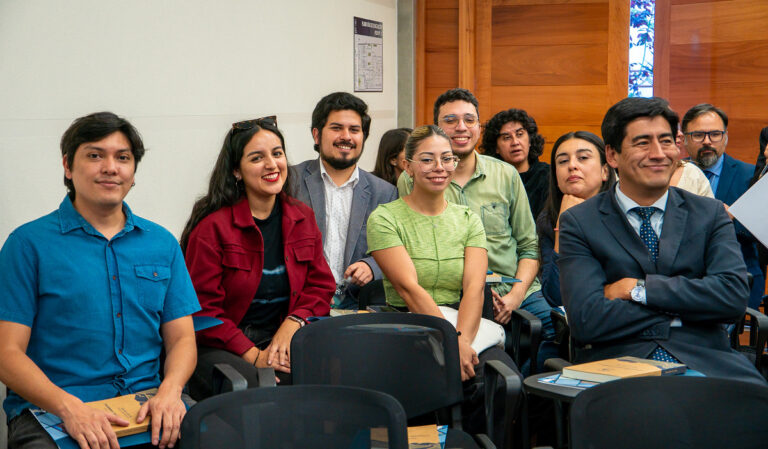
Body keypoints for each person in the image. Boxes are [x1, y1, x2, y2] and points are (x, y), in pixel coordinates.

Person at [0, 112, 200, 449]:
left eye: (123, 158)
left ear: (133, 172)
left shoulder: (162, 243)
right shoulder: (27, 245)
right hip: (55, 410)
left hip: (147, 404)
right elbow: (6, 353)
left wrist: (170, 391)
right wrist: (70, 408)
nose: (111, 167)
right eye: (95, 155)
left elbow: (182, 339)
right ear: (68, 166)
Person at [559, 97, 765, 384]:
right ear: (612, 154)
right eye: (643, 142)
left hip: (707, 361)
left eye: (666, 141)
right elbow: (586, 320)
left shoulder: (710, 213)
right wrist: (685, 312)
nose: (658, 153)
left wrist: (639, 290)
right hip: (617, 365)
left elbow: (731, 299)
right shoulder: (580, 221)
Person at [368, 124, 518, 441]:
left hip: (465, 323)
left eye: (447, 159)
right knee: (424, 386)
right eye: (427, 159)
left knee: (500, 380)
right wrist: (451, 344)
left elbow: (475, 288)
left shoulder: (468, 219)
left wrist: (461, 344)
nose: (440, 168)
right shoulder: (385, 218)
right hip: (409, 324)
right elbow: (410, 290)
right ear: (406, 165)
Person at [181, 117, 335, 394]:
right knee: (262, 390)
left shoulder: (302, 216)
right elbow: (203, 313)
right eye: (256, 158)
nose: (272, 164)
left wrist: (294, 322)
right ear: (236, 171)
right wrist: (254, 355)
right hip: (222, 345)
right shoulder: (211, 228)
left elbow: (321, 286)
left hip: (281, 336)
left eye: (277, 154)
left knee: (332, 373)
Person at [397, 88, 555, 347]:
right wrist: (476, 294)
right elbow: (415, 249)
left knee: (553, 328)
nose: (461, 127)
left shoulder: (506, 175)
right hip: (451, 293)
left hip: (513, 289)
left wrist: (515, 295)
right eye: (450, 121)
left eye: (469, 120)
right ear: (436, 128)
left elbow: (529, 247)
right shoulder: (416, 178)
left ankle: (524, 387)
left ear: (479, 127)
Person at [291, 92, 398, 309]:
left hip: (358, 306)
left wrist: (372, 266)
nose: (346, 136)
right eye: (336, 128)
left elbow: (398, 249)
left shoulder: (385, 193)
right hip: (299, 305)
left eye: (354, 130)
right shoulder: (291, 182)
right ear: (316, 135)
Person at [682, 104, 764, 309]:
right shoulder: (672, 174)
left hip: (739, 277)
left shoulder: (751, 176)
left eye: (715, 134)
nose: (707, 141)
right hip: (683, 280)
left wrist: (733, 219)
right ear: (685, 139)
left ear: (725, 137)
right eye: (698, 135)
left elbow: (763, 232)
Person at [536, 131, 616, 307]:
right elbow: (555, 296)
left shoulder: (624, 213)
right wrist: (562, 227)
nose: (572, 166)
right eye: (563, 161)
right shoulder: (549, 220)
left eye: (583, 158)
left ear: (605, 171)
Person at [482, 108, 550, 219]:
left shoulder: (548, 175)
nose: (515, 142)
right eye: (507, 137)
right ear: (496, 148)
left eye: (520, 134)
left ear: (530, 140)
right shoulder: (489, 180)